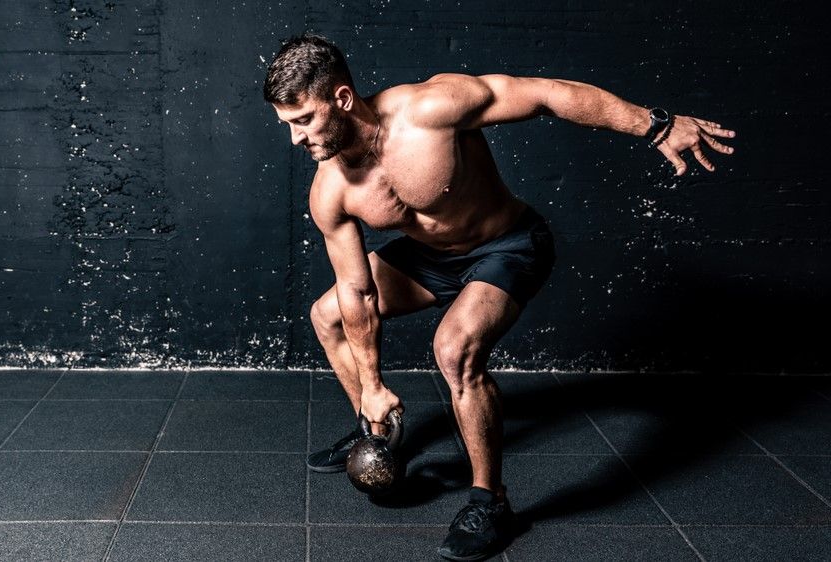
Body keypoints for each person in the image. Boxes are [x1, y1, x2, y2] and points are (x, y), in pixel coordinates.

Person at [263, 34, 735, 560]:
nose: (295, 139)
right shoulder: (330, 191)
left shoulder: (432, 109)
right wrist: (371, 384)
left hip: (508, 245)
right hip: (433, 257)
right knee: (326, 314)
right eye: (287, 124)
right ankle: (375, 431)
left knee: (453, 350)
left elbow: (549, 94)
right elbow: (357, 291)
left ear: (343, 99)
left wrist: (657, 125)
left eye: (303, 119)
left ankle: (491, 502)